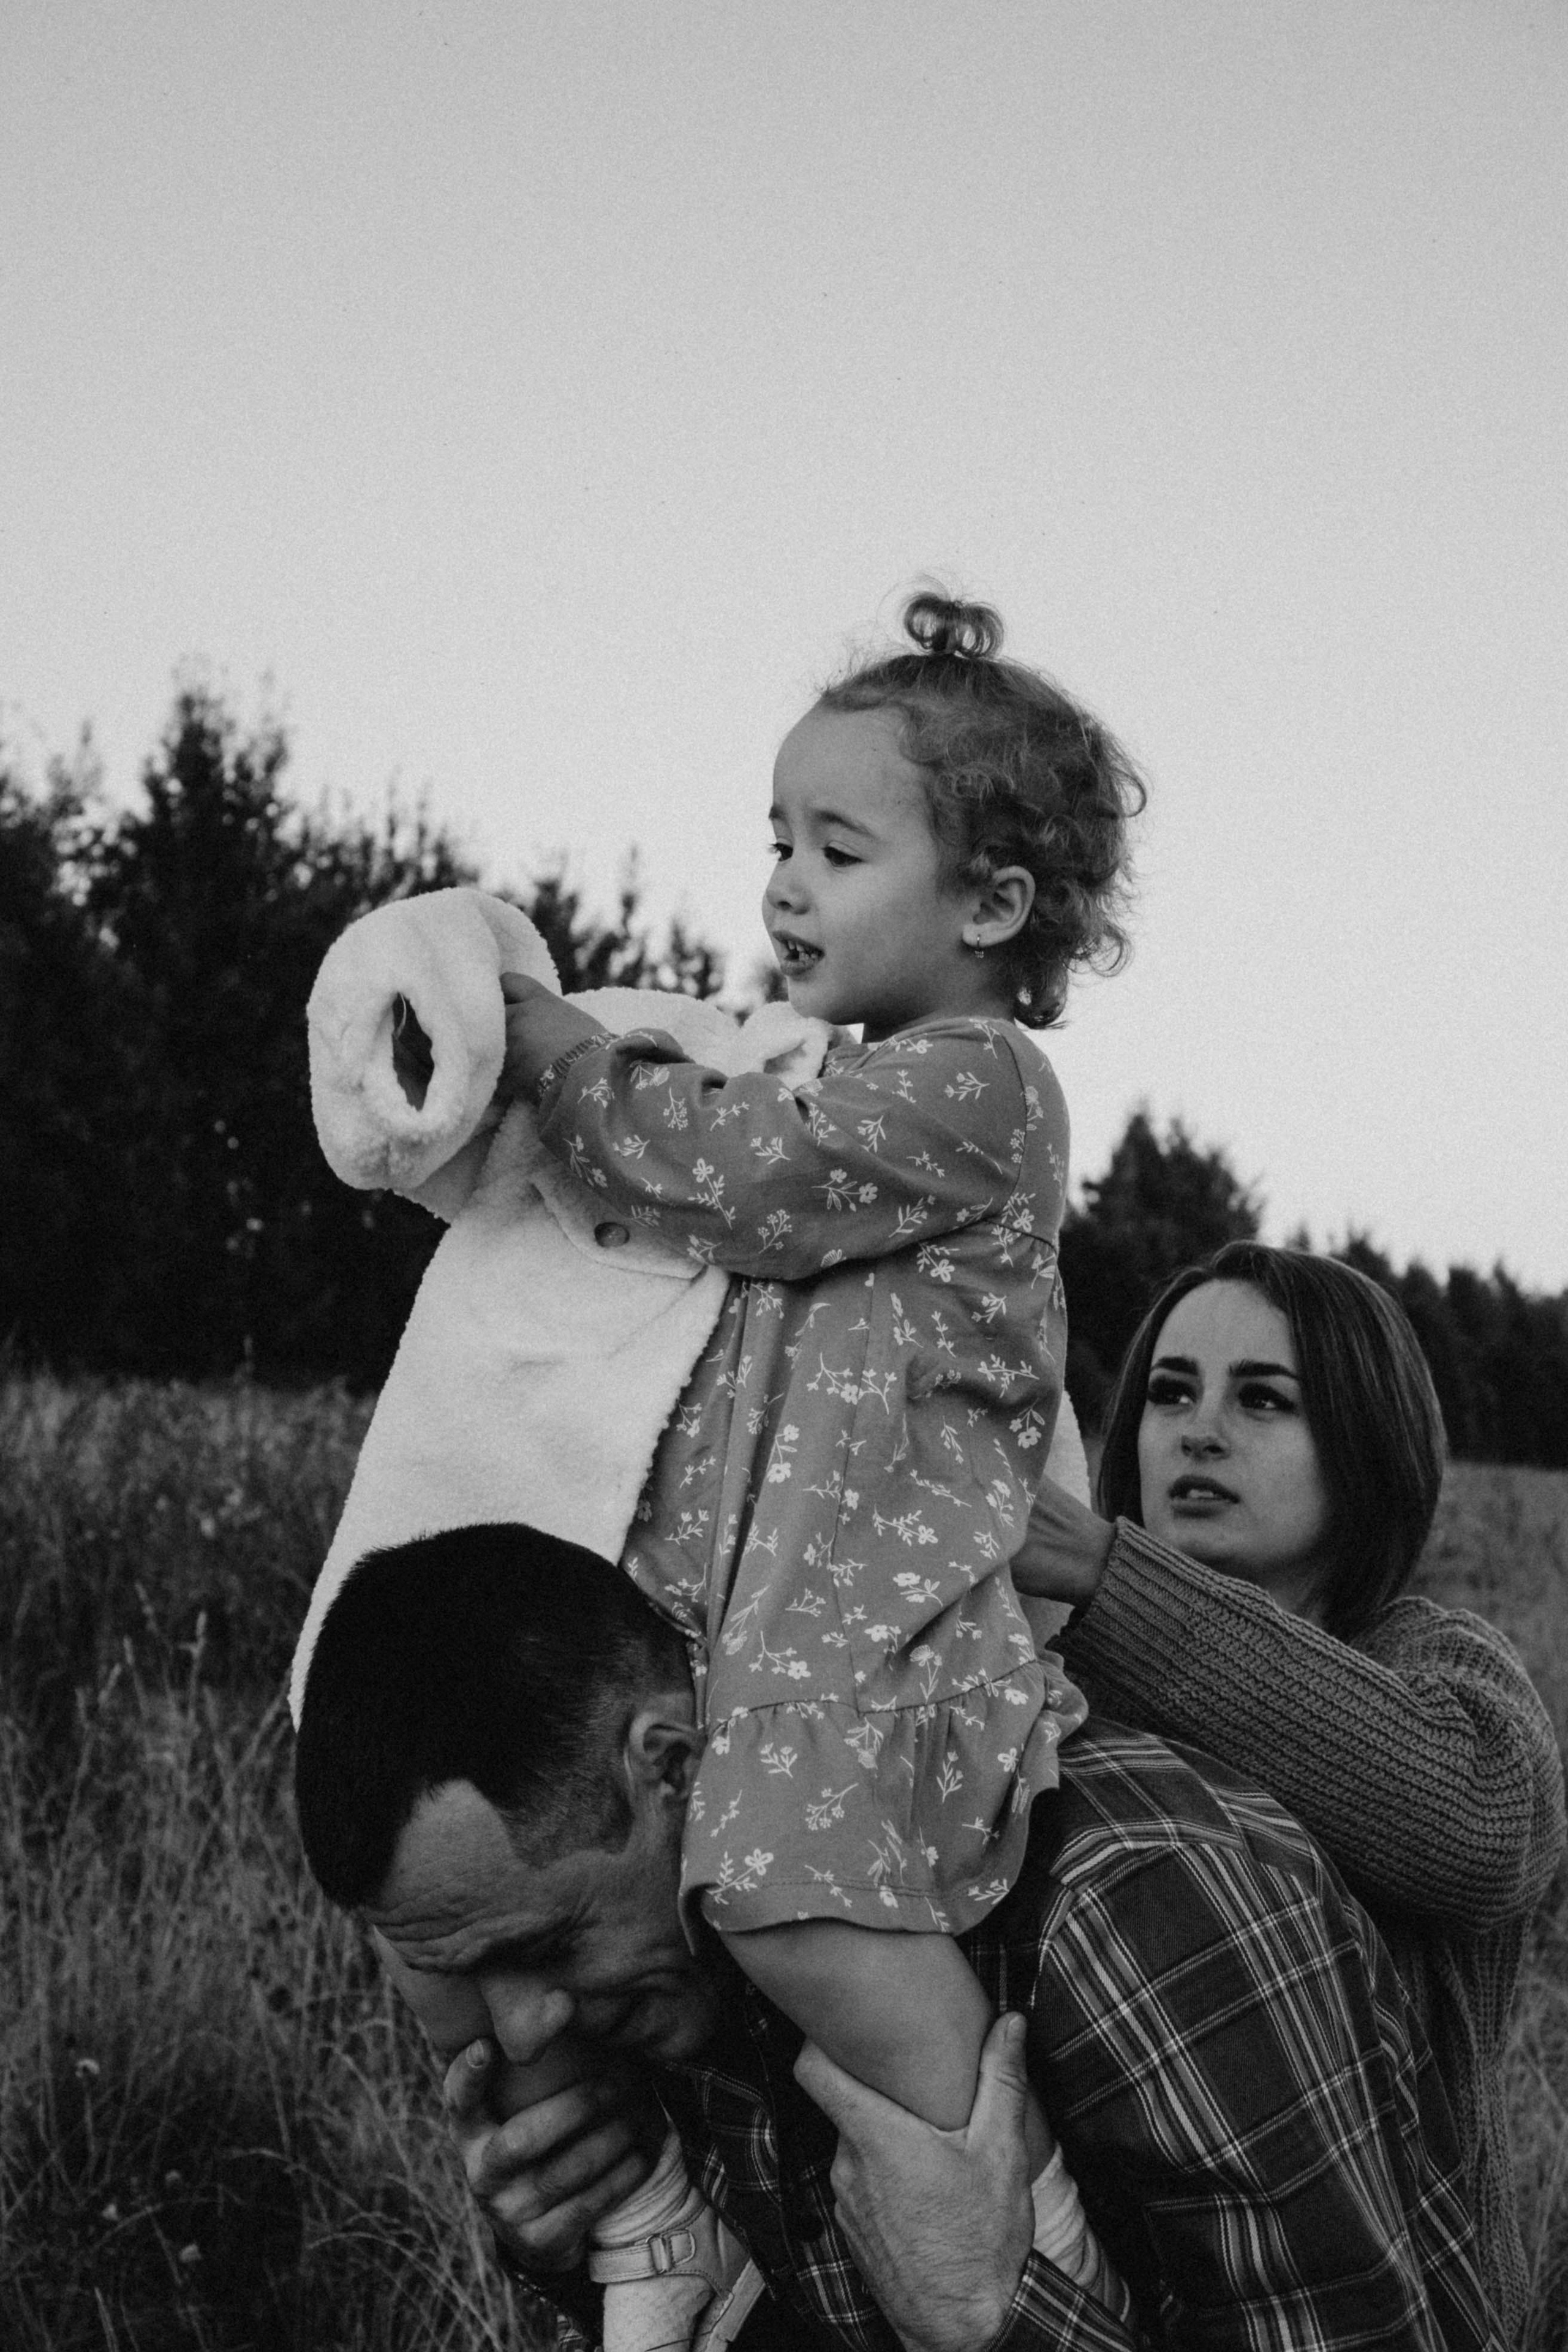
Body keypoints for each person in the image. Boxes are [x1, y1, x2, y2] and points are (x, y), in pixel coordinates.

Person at [484, 591, 1145, 2326]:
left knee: (780, 1907)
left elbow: (733, 1170)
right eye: (776, 840)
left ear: (992, 903)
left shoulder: (973, 1085)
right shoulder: (844, 1081)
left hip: (883, 1658)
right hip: (772, 1659)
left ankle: (1006, 2212)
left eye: (836, 848)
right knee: (538, 1899)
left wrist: (567, 1064)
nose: (784, 882)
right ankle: (669, 2219)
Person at [291, 1523, 1505, 2351]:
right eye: (470, 1973)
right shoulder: (682, 1965)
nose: (526, 2027)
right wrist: (608, 2243)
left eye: (548, 1945)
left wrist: (996, 2315)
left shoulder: (1127, 1898)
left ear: (671, 1765)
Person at [1009, 1240, 1566, 2343]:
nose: (1197, 1429)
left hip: (1398, 2300)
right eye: (1170, 1392)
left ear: (1365, 1448)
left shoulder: (1441, 1664)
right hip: (1106, 2283)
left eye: (1265, 1400)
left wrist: (1113, 1578)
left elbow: (1474, 1827)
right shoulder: (1052, 1685)